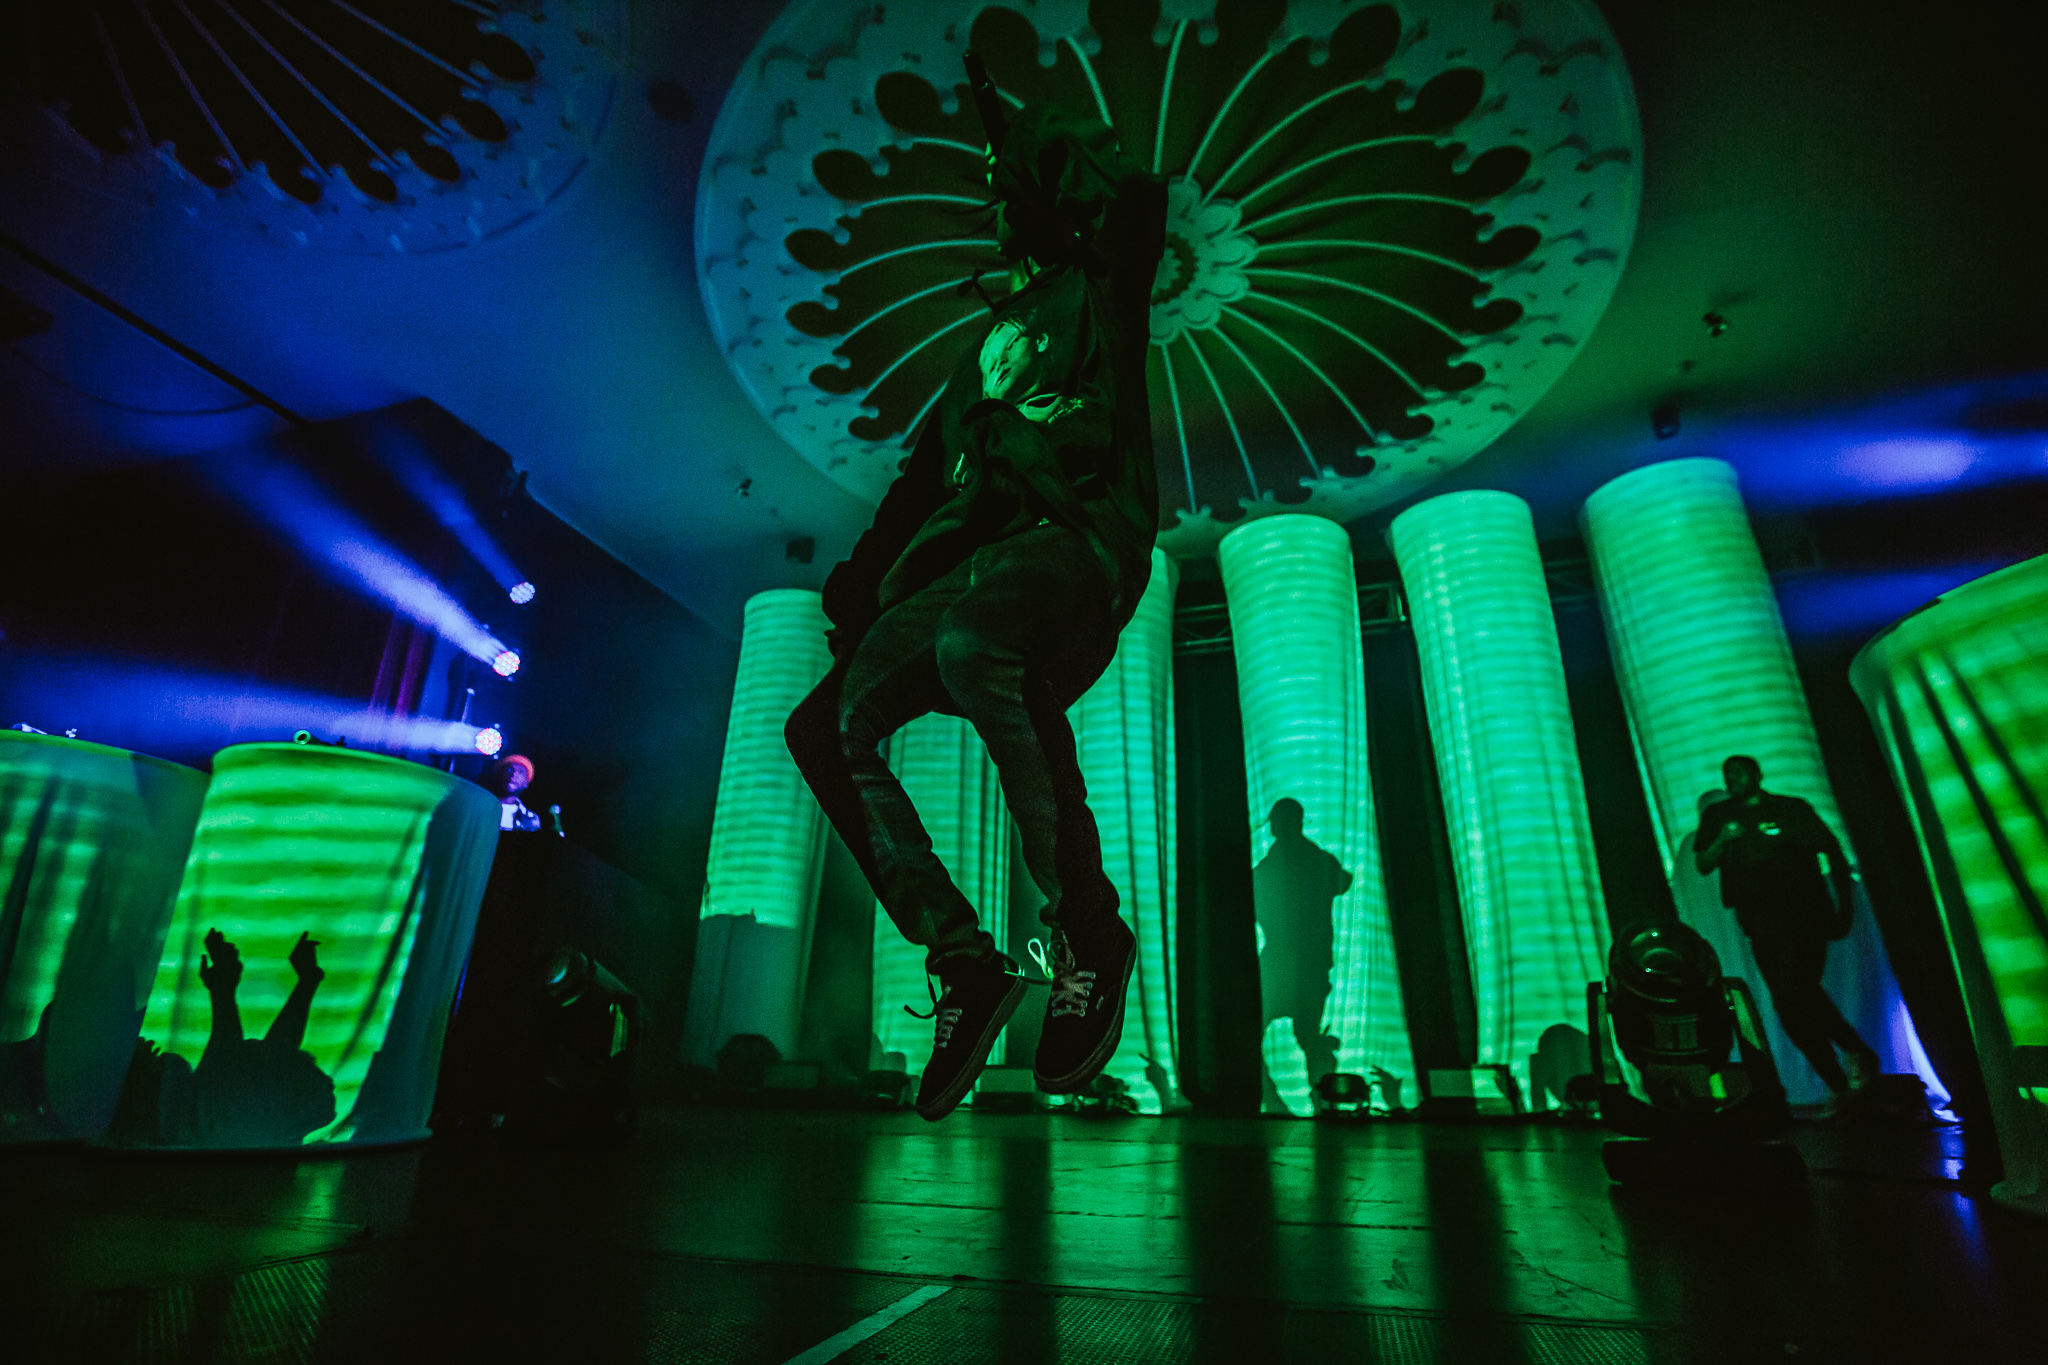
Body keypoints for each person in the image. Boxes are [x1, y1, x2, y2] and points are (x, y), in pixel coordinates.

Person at [785, 92, 1166, 1121]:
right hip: (960, 564)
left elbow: (1134, 206)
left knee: (970, 640)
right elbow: (918, 488)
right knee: (823, 726)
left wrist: (1028, 147)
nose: (994, 211)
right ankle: (963, 960)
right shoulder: (974, 360)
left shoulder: (1099, 291)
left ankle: (1087, 930)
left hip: (1072, 539)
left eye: (1008, 197)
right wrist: (861, 582)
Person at [1693, 755, 1879, 1112]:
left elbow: (1832, 850)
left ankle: (1851, 1062)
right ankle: (1841, 1076)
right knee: (1789, 1000)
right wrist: (1722, 840)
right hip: (1760, 920)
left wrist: (1843, 910)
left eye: (1740, 772)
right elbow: (1703, 863)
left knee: (1798, 991)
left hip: (1805, 913)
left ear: (1757, 774)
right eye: (1728, 774)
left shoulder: (1791, 809)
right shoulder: (1720, 816)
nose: (1733, 779)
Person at [1253, 799, 1351, 1099]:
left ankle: (1273, 1095)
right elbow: (1343, 881)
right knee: (1307, 1034)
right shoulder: (1317, 859)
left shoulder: (1270, 866)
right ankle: (1322, 1097)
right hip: (1310, 961)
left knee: (1259, 1029)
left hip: (1281, 960)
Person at [483, 754, 543, 832]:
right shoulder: (482, 808)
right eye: (509, 770)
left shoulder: (531, 819)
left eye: (520, 772)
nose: (513, 774)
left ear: (526, 783)